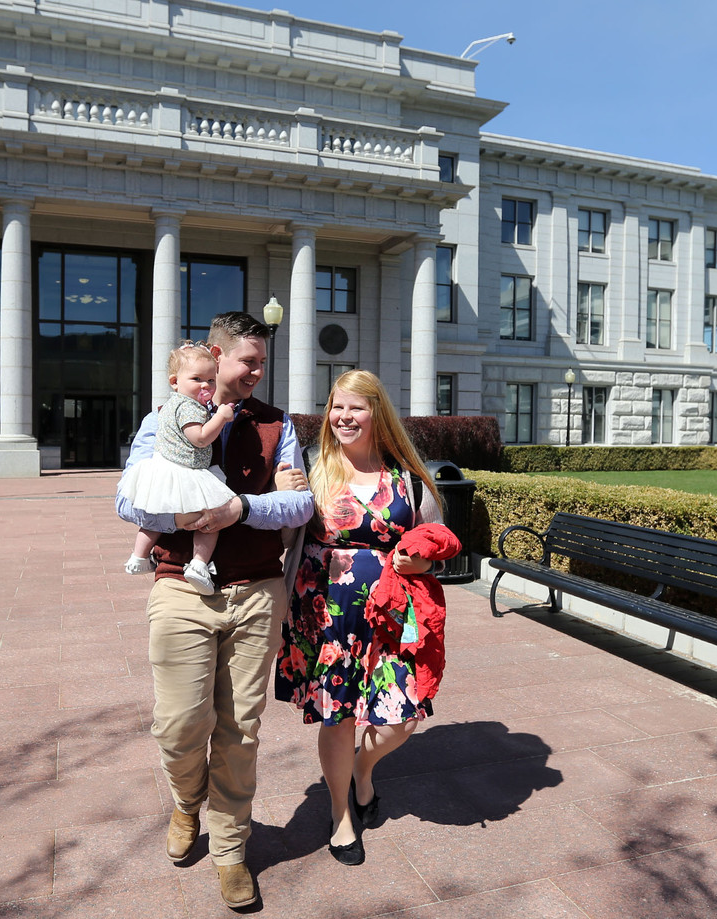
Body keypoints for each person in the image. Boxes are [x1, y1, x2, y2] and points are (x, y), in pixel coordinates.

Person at [116, 311, 313, 909]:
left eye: (262, 362)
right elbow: (127, 498)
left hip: (257, 592)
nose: (256, 372)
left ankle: (230, 849)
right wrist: (179, 517)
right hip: (180, 588)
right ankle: (185, 802)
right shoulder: (164, 419)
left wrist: (240, 510)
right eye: (246, 360)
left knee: (240, 730)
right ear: (217, 357)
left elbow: (298, 507)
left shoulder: (277, 427)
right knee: (178, 725)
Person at [273, 369, 458, 866]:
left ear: (377, 413)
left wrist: (420, 560)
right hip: (324, 614)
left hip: (391, 615)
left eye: (356, 407)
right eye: (337, 406)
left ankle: (362, 770)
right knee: (337, 717)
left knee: (402, 719)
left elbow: (434, 535)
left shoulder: (404, 474)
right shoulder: (312, 466)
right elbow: (279, 534)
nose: (343, 417)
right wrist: (279, 492)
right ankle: (339, 815)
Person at [120, 341, 238, 594]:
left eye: (211, 380)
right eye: (197, 379)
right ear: (175, 382)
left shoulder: (171, 404)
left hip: (162, 468)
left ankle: (139, 556)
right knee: (212, 517)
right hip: (185, 471)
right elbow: (201, 437)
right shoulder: (188, 407)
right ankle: (198, 563)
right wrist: (221, 416)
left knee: (153, 516)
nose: (206, 386)